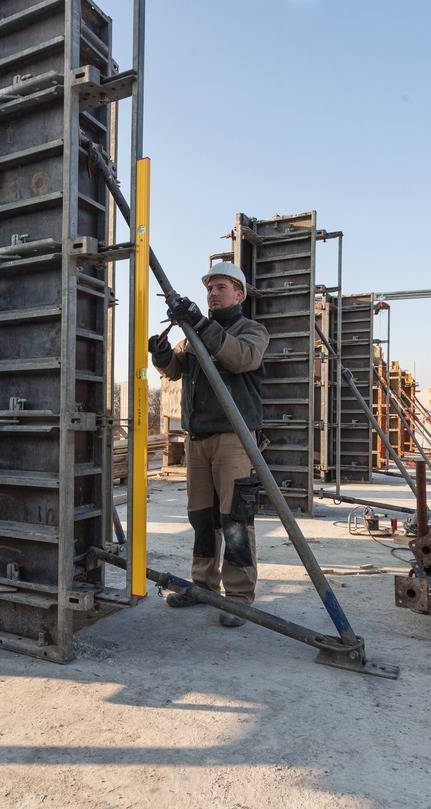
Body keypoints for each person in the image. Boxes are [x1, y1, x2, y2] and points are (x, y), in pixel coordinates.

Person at [148, 262, 269, 627]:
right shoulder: (194, 335)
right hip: (198, 439)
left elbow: (240, 358)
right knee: (202, 518)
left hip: (234, 438)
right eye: (209, 289)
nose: (213, 294)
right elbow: (175, 369)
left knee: (234, 520)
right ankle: (203, 585)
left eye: (220, 288)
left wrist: (200, 324)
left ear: (239, 294)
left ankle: (239, 597)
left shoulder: (252, 331)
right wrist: (162, 352)